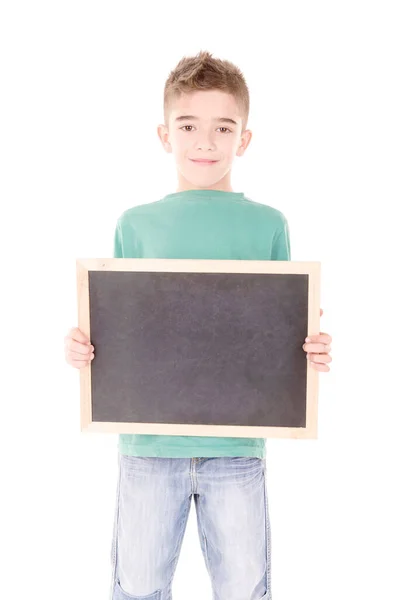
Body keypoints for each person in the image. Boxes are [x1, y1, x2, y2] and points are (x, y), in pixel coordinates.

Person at [64, 50, 333, 600]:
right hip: (148, 445)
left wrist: (312, 348)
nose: (205, 142)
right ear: (165, 135)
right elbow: (115, 324)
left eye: (222, 127)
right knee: (137, 586)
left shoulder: (269, 226)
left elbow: (282, 324)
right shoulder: (135, 226)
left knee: (242, 585)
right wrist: (82, 346)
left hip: (237, 446)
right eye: (188, 126)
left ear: (245, 138)